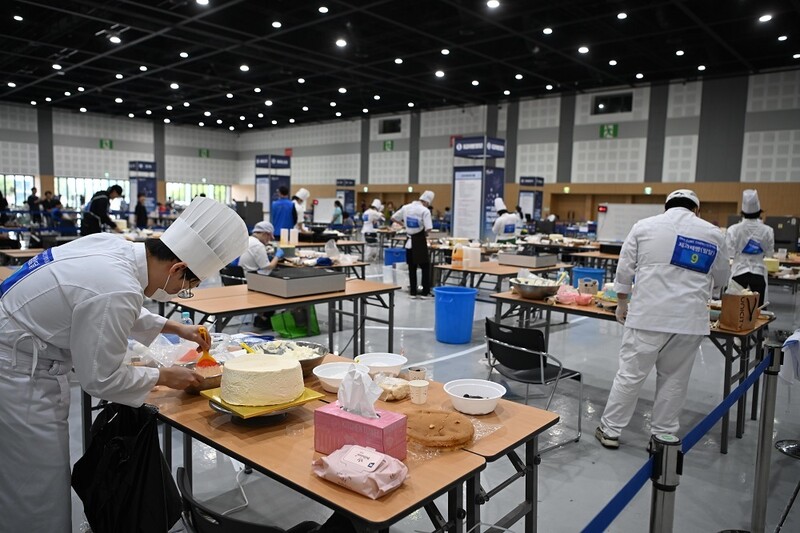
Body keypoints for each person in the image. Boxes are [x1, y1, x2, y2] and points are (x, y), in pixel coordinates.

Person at [0, 196, 248, 531]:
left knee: (23, 480)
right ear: (176, 268)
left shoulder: (115, 248)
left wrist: (175, 326)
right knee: (37, 487)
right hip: (16, 373)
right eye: (186, 287)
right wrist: (165, 376)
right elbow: (101, 378)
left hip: (21, 350)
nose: (179, 293)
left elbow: (107, 304)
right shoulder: (116, 287)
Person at [595, 189, 730, 450]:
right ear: (696, 210)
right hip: (689, 320)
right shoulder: (713, 233)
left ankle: (610, 431)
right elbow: (723, 277)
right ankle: (662, 437)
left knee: (630, 375)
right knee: (675, 379)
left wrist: (622, 302)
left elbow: (624, 269)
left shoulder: (645, 226)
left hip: (647, 316)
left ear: (666, 206)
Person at [725, 189, 774, 307]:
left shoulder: (734, 229)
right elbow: (769, 254)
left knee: (735, 309)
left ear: (742, 211)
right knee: (757, 311)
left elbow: (729, 252)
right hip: (758, 274)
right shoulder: (768, 230)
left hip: (738, 273)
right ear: (759, 211)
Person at [392, 191, 434, 299]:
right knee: (425, 266)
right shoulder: (425, 210)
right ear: (427, 202)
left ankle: (413, 293)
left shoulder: (406, 207)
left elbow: (393, 218)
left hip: (409, 240)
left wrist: (405, 225)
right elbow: (429, 228)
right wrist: (424, 232)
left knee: (412, 267)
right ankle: (425, 293)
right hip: (419, 240)